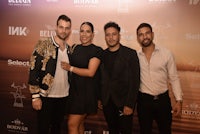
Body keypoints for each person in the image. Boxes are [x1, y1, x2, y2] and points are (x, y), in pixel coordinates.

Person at [136, 23, 183, 134]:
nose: (144, 36)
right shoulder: (135, 57)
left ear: (152, 34)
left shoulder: (166, 54)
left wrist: (179, 100)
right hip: (144, 102)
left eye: (147, 33)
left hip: (163, 101)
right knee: (144, 131)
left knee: (165, 130)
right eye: (141, 34)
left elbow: (174, 78)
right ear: (138, 38)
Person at [28, 14, 72, 134]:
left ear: (70, 30)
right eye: (61, 27)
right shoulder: (43, 44)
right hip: (46, 96)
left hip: (64, 97)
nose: (64, 31)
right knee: (43, 129)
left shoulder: (69, 49)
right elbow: (33, 69)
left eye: (67, 28)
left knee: (56, 128)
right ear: (56, 27)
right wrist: (35, 97)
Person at [98, 21, 140, 134]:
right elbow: (101, 78)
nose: (111, 37)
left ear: (119, 35)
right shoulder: (102, 54)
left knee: (126, 131)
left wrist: (130, 104)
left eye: (114, 34)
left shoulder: (130, 54)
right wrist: (100, 98)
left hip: (124, 102)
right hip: (107, 102)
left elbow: (135, 81)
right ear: (105, 37)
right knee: (112, 130)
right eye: (108, 34)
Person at [61, 22, 103, 134]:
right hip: (74, 92)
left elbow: (91, 72)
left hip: (86, 94)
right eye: (82, 31)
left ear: (93, 34)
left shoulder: (97, 50)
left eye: (88, 31)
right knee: (79, 124)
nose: (84, 34)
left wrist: (70, 68)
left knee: (72, 124)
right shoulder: (75, 47)